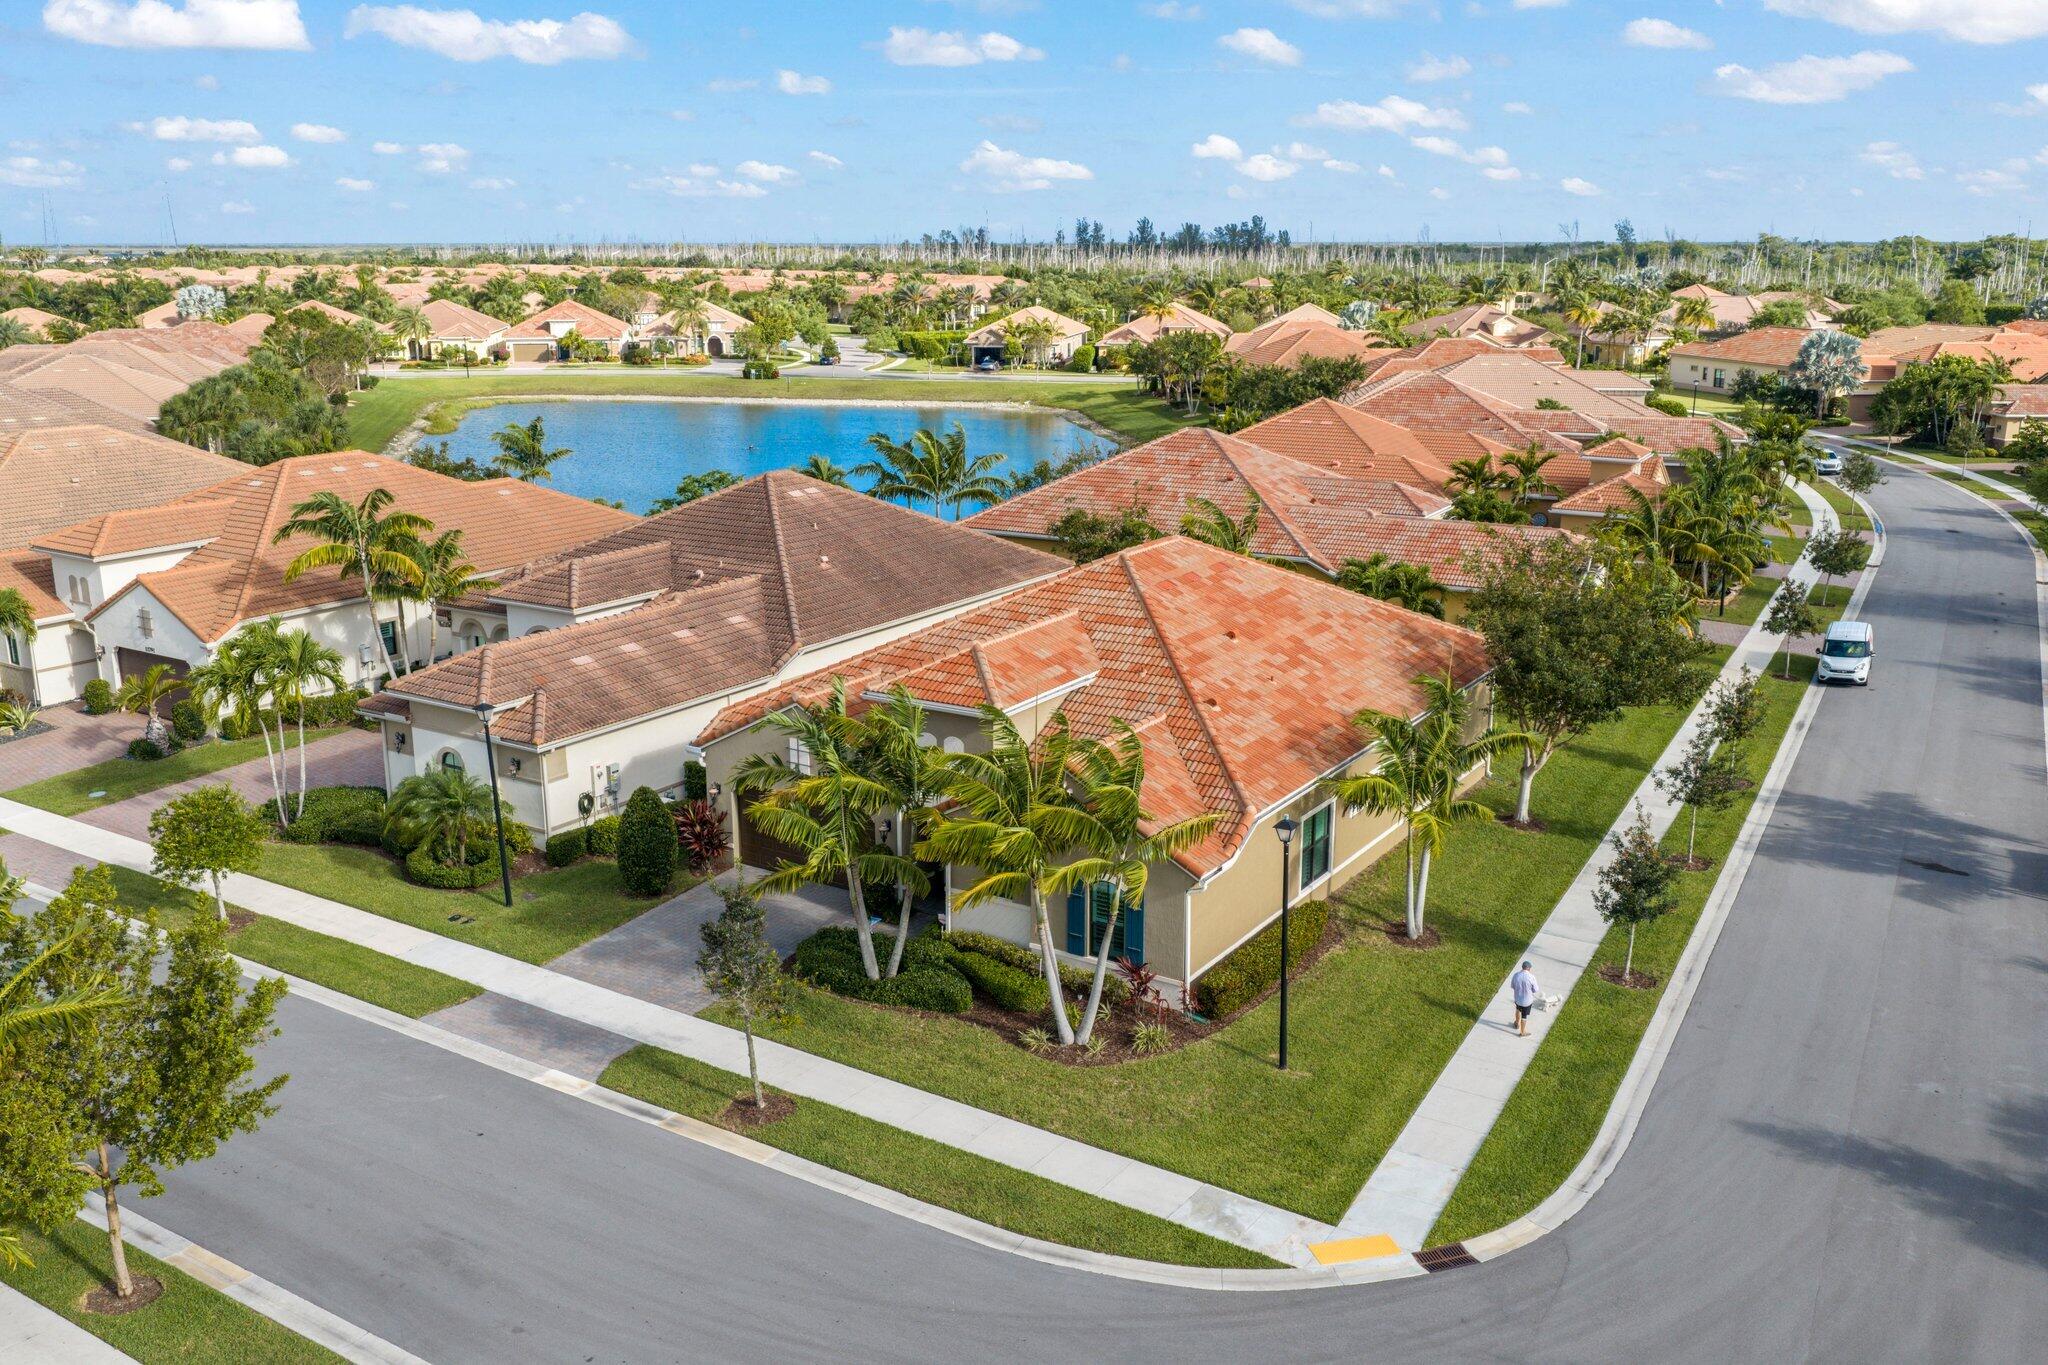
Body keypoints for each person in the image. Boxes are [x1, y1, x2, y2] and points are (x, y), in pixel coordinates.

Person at [1509, 960, 1540, 1037]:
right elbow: (1535, 989)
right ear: (1529, 968)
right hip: (1527, 1001)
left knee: (1518, 1010)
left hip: (1518, 999)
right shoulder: (1531, 977)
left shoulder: (1516, 975)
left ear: (1522, 967)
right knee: (1524, 1016)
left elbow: (1512, 986)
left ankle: (1516, 1023)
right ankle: (1522, 1032)